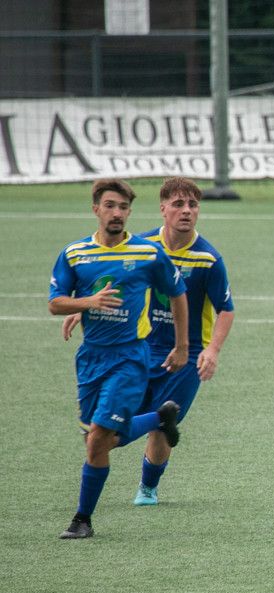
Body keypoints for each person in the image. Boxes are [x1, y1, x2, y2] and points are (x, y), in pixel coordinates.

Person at [62, 177, 235, 506]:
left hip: (187, 354)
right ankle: (161, 420)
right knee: (109, 433)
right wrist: (83, 308)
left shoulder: (208, 259)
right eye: (178, 204)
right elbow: (117, 283)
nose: (187, 211)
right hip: (140, 349)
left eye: (193, 205)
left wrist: (212, 350)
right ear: (163, 208)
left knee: (161, 424)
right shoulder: (143, 248)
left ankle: (147, 488)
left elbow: (226, 309)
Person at [49, 178, 188, 539]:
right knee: (100, 441)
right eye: (110, 206)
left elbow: (177, 293)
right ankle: (159, 418)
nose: (117, 213)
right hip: (90, 358)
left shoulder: (147, 254)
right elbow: (55, 303)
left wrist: (182, 346)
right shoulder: (75, 254)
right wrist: (86, 303)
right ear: (95, 208)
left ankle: (82, 520)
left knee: (98, 437)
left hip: (130, 358)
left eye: (123, 207)